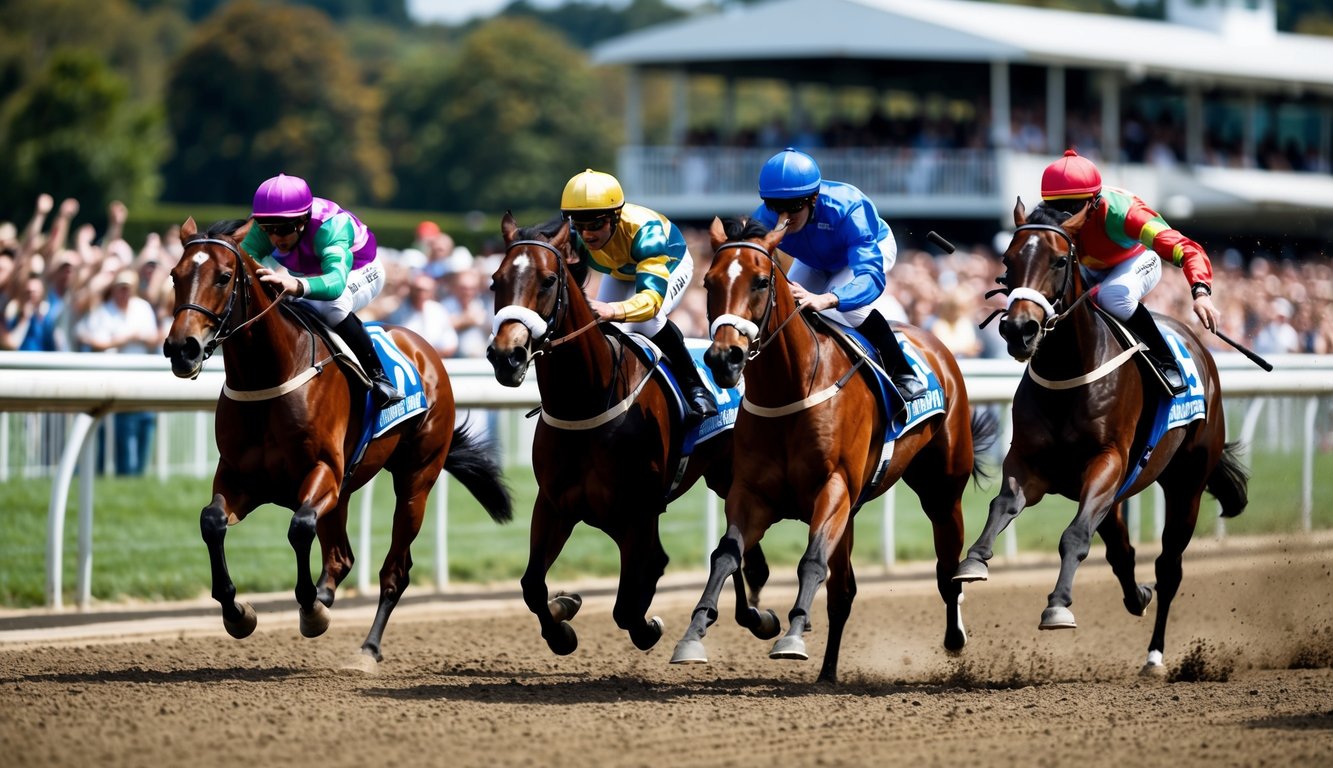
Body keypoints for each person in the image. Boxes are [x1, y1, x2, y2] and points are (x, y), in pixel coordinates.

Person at [749, 147, 925, 400]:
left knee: (846, 308)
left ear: (813, 198)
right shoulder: (763, 220)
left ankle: (902, 372)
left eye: (793, 206)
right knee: (783, 306)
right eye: (775, 206)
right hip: (814, 260)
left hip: (866, 253)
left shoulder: (848, 207)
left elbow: (870, 278)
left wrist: (827, 299)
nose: (783, 217)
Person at [1039, 149, 1220, 394]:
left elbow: (1185, 248)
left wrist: (1200, 292)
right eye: (1057, 208)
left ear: (1094, 201)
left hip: (1136, 261)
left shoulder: (1124, 213)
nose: (1065, 217)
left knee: (1111, 296)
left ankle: (1164, 359)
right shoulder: (1043, 215)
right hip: (1088, 267)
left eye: (1073, 207)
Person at [561, 168, 716, 424]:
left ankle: (695, 387)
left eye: (597, 223)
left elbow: (651, 301)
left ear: (615, 217)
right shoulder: (571, 234)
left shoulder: (647, 232)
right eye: (580, 224)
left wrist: (613, 310)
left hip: (669, 263)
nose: (587, 234)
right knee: (601, 328)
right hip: (620, 269)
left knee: (646, 321)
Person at [240, 173, 403, 409]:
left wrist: (295, 286)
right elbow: (243, 262)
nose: (275, 237)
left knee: (332, 307)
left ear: (302, 220)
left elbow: (335, 284)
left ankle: (380, 378)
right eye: (268, 228)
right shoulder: (266, 227)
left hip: (360, 271)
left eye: (283, 229)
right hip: (311, 275)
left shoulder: (331, 227)